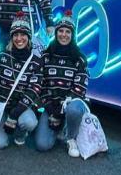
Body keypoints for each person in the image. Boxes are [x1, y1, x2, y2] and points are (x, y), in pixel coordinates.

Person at [0, 12, 42, 149]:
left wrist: (13, 115)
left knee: (30, 122)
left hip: (19, 107)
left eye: (23, 34)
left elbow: (33, 91)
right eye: (15, 35)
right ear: (11, 37)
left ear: (29, 37)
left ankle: (20, 133)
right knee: (0, 144)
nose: (19, 39)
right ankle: (2, 125)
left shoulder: (36, 62)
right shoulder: (2, 56)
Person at [33, 10, 89, 157]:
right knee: (42, 145)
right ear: (56, 33)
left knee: (74, 110)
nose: (64, 34)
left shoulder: (80, 58)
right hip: (51, 105)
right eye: (61, 31)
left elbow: (80, 89)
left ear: (72, 35)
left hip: (71, 104)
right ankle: (56, 127)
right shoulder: (46, 55)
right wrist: (51, 110)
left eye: (68, 32)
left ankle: (71, 137)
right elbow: (40, 84)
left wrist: (61, 111)